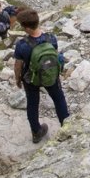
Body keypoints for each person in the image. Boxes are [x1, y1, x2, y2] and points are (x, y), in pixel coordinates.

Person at [13, 8, 70, 143]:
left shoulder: (22, 45)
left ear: (26, 28)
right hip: (50, 74)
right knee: (59, 99)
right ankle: (67, 128)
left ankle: (36, 132)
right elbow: (54, 56)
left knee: (32, 103)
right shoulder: (51, 38)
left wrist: (18, 79)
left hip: (31, 78)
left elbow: (18, 65)